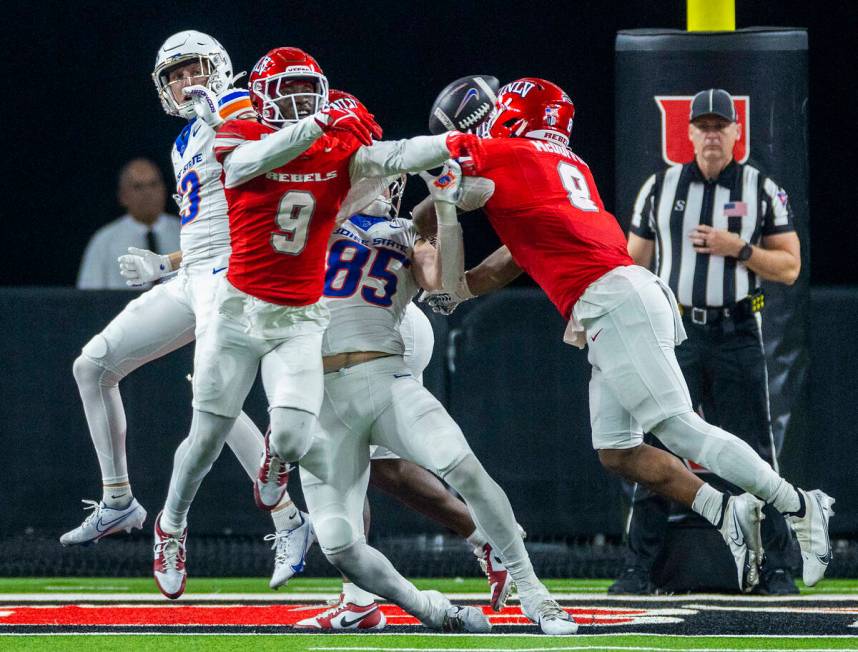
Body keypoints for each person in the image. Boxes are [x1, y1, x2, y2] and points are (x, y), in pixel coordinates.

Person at [419, 77, 834, 594]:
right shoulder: (556, 165)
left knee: (680, 430)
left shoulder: (509, 154)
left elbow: (440, 168)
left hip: (612, 300)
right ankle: (726, 511)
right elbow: (504, 265)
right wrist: (448, 289)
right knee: (618, 450)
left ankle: (799, 505)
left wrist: (392, 196)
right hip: (615, 300)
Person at [150, 46, 484, 607]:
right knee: (210, 435)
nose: (301, 103)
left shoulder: (345, 165)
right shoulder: (246, 134)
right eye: (289, 94)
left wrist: (456, 151)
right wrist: (316, 127)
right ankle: (171, 525)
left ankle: (365, 574)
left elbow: (393, 157)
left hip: (317, 320)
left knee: (318, 445)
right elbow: (241, 169)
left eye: (309, 94)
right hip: (244, 308)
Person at [62, 31, 308, 592]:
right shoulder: (183, 139)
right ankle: (118, 499)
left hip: (237, 274)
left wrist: (224, 117)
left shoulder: (245, 107)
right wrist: (165, 263)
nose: (181, 81)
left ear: (219, 67)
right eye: (171, 74)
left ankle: (284, 520)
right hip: (195, 276)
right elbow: (205, 229)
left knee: (212, 403)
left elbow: (280, 168)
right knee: (92, 366)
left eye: (190, 68)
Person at [287, 164, 575, 634]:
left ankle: (535, 593)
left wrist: (445, 202)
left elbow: (443, 277)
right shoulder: (305, 222)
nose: (369, 185)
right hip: (319, 398)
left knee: (461, 465)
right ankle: (429, 609)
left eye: (376, 178)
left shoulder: (401, 233)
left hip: (384, 376)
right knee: (338, 542)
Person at [611, 88, 803, 594]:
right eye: (705, 126)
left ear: (737, 132)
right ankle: (639, 569)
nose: (713, 134)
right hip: (677, 331)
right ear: (690, 132)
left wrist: (738, 248)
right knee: (653, 441)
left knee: (754, 452)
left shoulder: (761, 188)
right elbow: (634, 262)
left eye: (722, 126)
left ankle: (776, 567)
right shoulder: (660, 187)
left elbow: (789, 266)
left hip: (737, 329)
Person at [77, 158, 179, 289]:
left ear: (164, 190)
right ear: (123, 196)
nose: (147, 193)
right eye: (138, 186)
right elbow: (88, 297)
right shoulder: (104, 242)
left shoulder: (185, 231)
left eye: (153, 184)